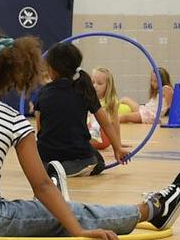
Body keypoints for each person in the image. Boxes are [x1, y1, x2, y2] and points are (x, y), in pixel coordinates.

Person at [0, 28, 180, 240]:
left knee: (43, 207)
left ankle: (70, 199)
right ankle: (153, 209)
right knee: (65, 212)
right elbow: (42, 186)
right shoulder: (12, 120)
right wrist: (77, 230)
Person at [33, 42, 129, 178]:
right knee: (99, 161)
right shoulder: (84, 89)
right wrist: (117, 148)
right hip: (78, 154)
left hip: (46, 155)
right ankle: (71, 168)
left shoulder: (43, 92)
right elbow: (105, 122)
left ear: (51, 69)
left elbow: (40, 128)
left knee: (43, 149)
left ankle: (52, 168)